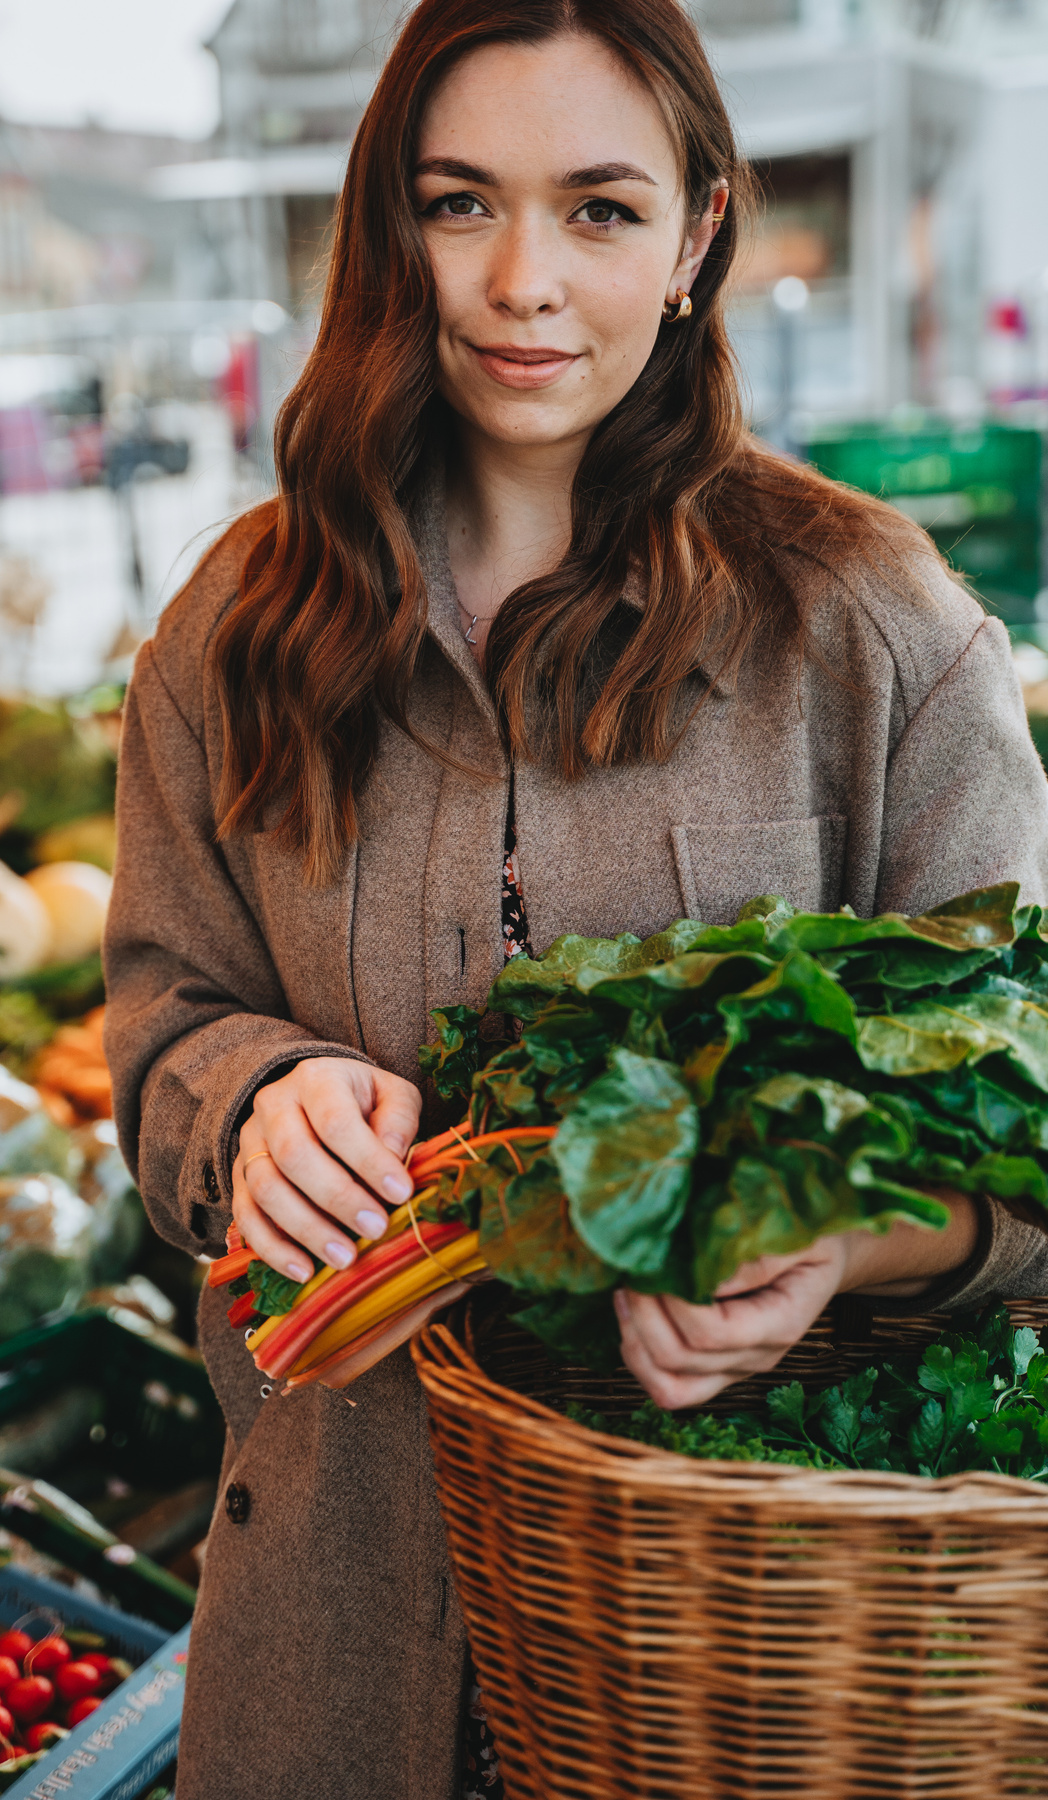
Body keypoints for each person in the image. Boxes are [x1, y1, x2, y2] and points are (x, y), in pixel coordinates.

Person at [103, 2, 1048, 1795]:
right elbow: (160, 1026)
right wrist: (244, 1102)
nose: (522, 281)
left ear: (697, 234)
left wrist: (845, 1240)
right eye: (461, 204)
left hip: (735, 1655)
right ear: (390, 221)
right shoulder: (232, 630)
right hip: (327, 1646)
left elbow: (1028, 1124)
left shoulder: (878, 635)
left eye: (600, 210)